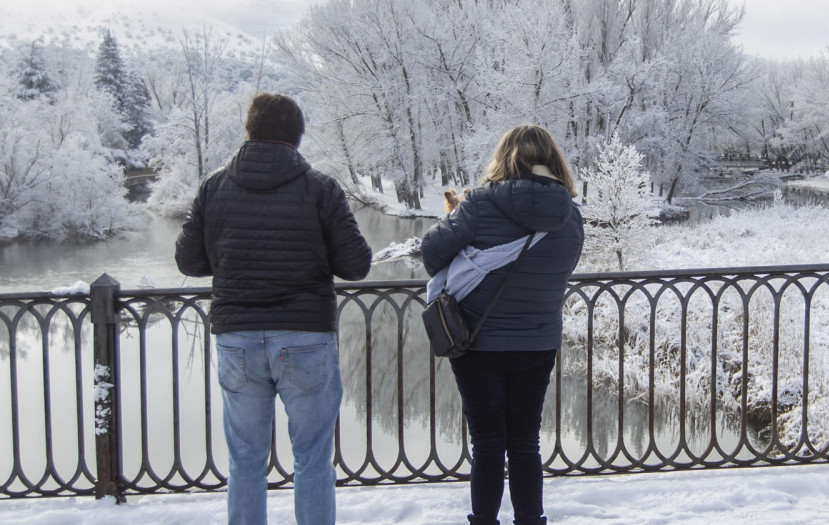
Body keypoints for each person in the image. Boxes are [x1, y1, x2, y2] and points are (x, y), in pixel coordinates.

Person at [175, 93, 372, 524]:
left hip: (238, 339)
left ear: (248, 132)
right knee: (312, 460)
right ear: (298, 137)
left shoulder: (213, 187)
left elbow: (188, 262)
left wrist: (228, 257)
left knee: (245, 460)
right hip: (305, 337)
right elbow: (356, 264)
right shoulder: (322, 188)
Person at [421, 125, 584, 525]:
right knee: (526, 440)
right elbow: (564, 267)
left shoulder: (478, 204)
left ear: (504, 157)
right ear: (553, 161)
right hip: (537, 342)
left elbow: (431, 254)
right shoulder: (569, 214)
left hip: (478, 342)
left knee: (488, 442)